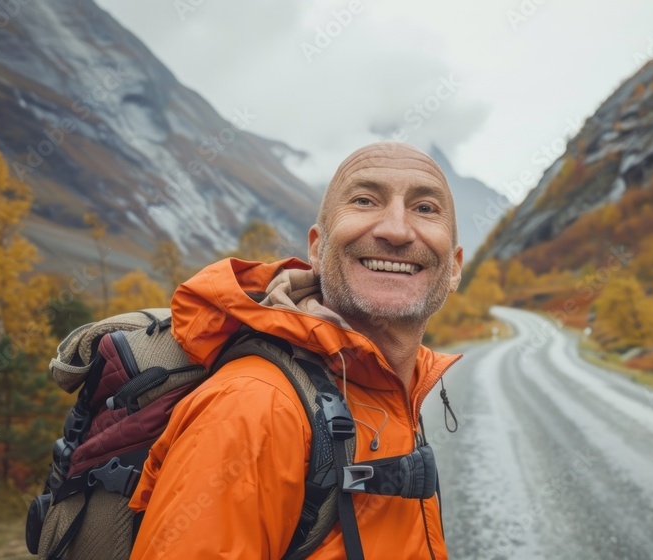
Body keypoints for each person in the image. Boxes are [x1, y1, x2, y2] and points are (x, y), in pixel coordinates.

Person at [127, 142, 464, 559]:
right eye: (364, 200)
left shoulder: (396, 390)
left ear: (454, 267)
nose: (395, 229)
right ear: (317, 249)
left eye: (425, 208)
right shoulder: (254, 406)